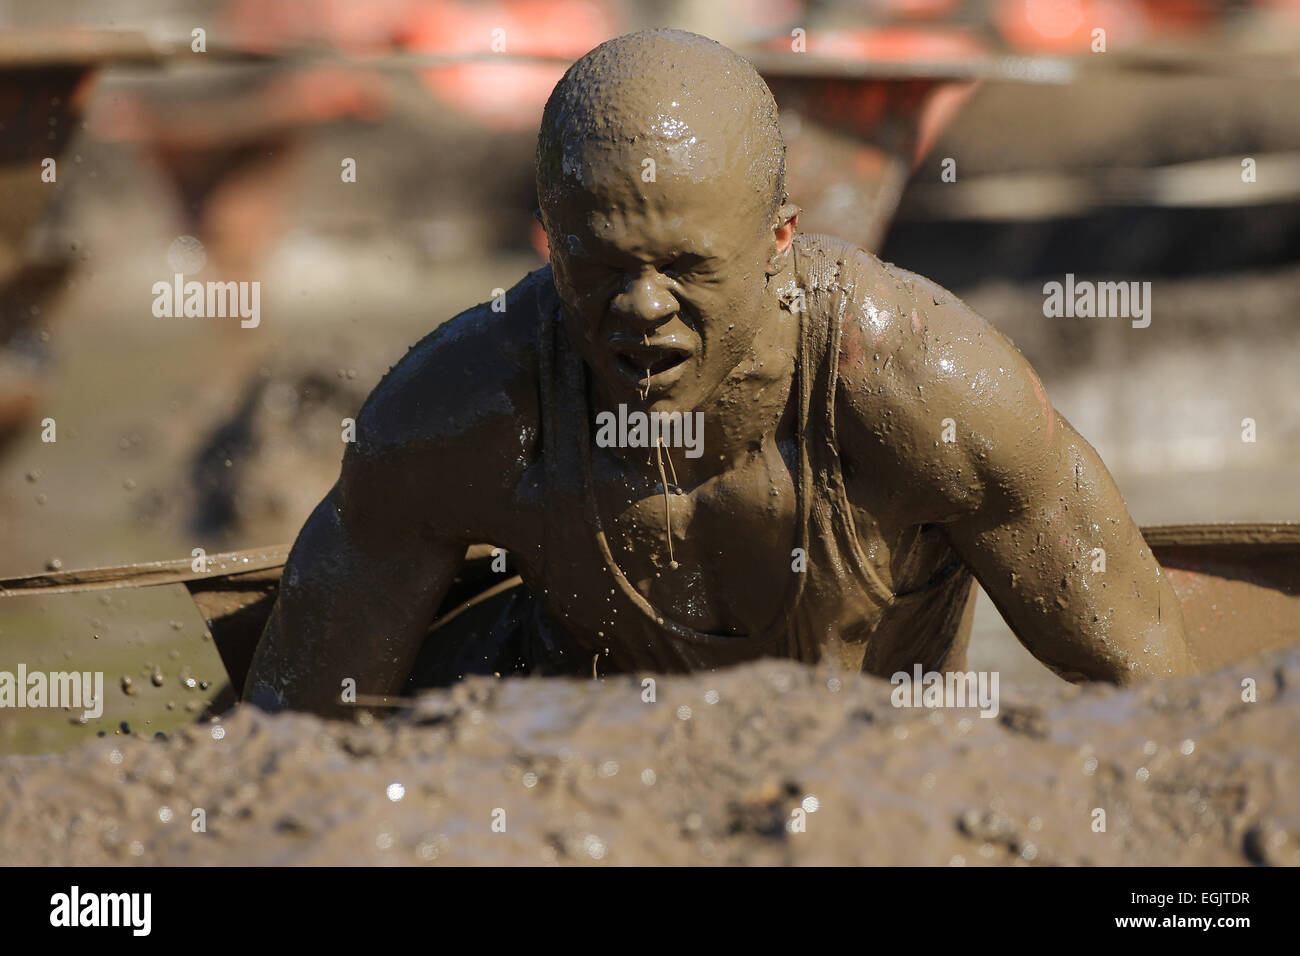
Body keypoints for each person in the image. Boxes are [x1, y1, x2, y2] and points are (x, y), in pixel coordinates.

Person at [245, 29, 1193, 717]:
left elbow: (1164, 700)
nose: (642, 308)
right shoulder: (459, 412)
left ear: (782, 239)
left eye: (687, 269)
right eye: (602, 267)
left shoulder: (928, 389)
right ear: (548, 238)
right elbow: (285, 745)